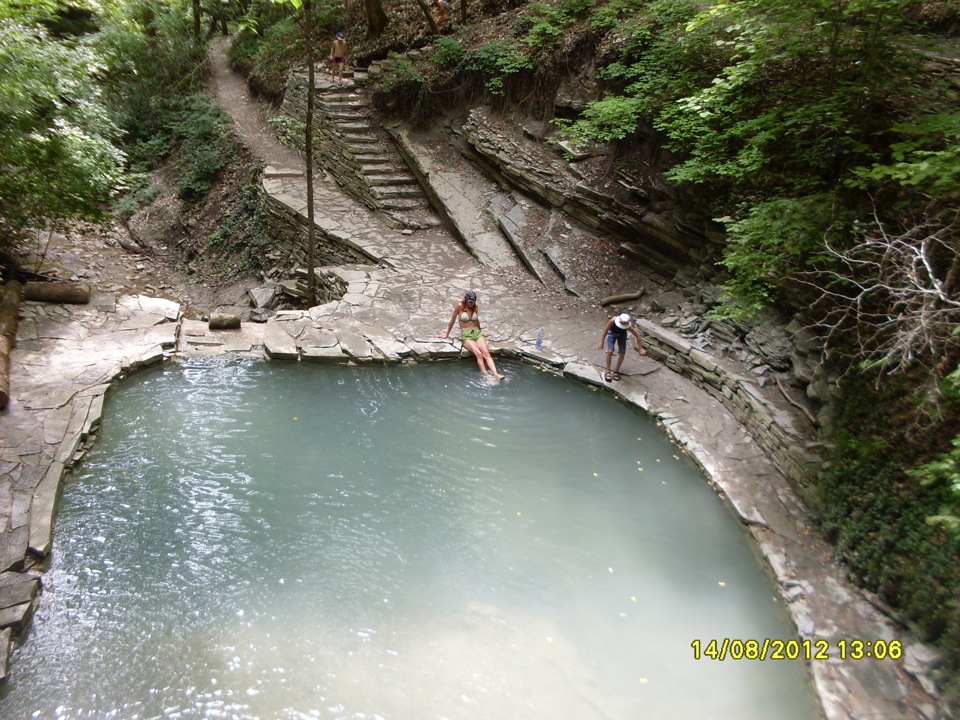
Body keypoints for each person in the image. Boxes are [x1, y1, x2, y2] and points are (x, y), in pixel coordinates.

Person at [439, 290, 505, 379]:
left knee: (486, 353)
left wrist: (481, 332)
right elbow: (452, 321)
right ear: (466, 300)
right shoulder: (459, 306)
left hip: (476, 333)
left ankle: (496, 374)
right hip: (466, 335)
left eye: (473, 302)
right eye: (470, 302)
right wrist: (447, 335)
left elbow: (476, 320)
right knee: (479, 354)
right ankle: (487, 377)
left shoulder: (475, 306)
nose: (471, 304)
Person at [597, 313, 645, 382]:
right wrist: (601, 342)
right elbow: (605, 330)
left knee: (622, 353)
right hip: (612, 333)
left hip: (622, 335)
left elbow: (637, 334)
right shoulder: (613, 321)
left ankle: (616, 371)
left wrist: (641, 348)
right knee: (610, 351)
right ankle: (608, 370)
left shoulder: (627, 326)